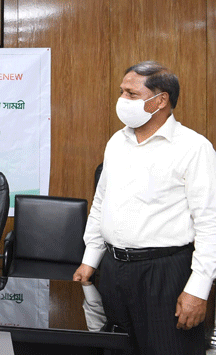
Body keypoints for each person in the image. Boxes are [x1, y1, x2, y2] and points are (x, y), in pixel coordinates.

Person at [73, 61, 216, 354]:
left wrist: (198, 290)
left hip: (165, 273)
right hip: (113, 270)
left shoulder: (194, 148)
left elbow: (210, 223)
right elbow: (101, 203)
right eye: (122, 92)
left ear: (160, 100)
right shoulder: (117, 141)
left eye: (132, 94)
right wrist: (90, 259)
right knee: (115, 349)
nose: (122, 100)